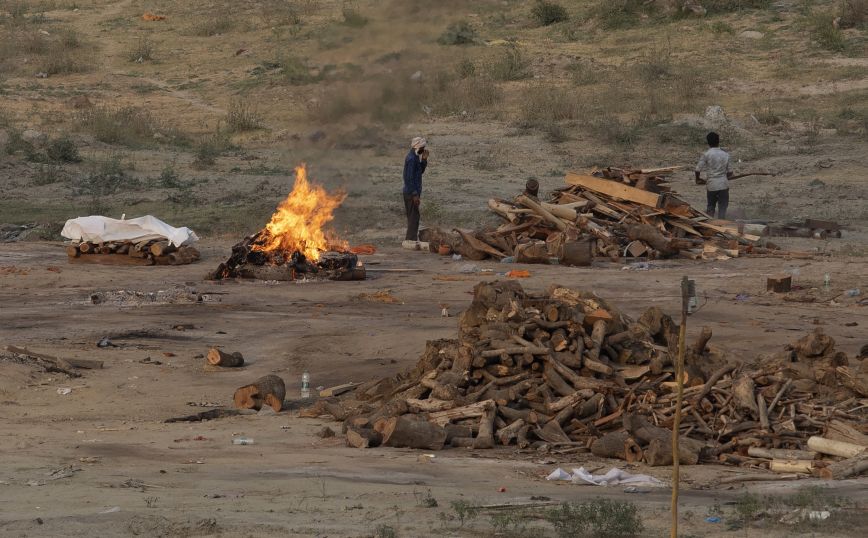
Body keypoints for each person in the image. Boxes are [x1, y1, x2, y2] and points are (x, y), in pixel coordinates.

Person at [695, 131, 733, 219]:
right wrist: (724, 177)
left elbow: (697, 169)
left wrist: (698, 179)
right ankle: (721, 225)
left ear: (708, 142)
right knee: (722, 208)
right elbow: (730, 172)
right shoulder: (726, 154)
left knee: (711, 207)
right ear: (718, 141)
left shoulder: (706, 154)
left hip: (711, 185)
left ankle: (710, 225)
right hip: (723, 185)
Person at [402, 136, 428, 241]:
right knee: (414, 218)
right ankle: (410, 240)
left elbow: (419, 172)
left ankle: (411, 239)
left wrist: (424, 160)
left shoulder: (416, 157)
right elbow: (408, 178)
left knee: (413, 217)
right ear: (417, 147)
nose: (423, 150)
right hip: (411, 193)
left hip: (413, 192)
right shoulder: (411, 159)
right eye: (422, 147)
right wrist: (414, 194)